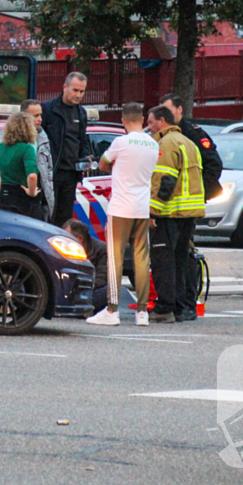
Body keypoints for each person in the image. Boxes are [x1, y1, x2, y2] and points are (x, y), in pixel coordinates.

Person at [86, 102, 158, 327]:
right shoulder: (153, 144)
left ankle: (112, 310)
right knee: (141, 260)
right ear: (143, 119)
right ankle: (142, 312)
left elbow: (103, 163)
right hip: (142, 208)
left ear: (123, 120)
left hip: (120, 208)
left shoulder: (120, 142)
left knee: (115, 259)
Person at [147, 105, 205, 324]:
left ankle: (164, 308)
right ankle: (181, 307)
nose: (149, 127)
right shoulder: (189, 143)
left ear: (162, 121)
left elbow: (165, 179)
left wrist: (152, 211)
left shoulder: (166, 144)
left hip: (170, 213)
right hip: (188, 213)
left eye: (151, 122)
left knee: (163, 261)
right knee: (181, 261)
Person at [41, 71, 93, 227]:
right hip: (51, 174)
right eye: (75, 90)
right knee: (48, 217)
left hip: (71, 174)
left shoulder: (81, 113)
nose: (78, 95)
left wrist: (85, 158)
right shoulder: (48, 109)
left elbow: (82, 140)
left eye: (82, 91)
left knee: (65, 221)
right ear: (65, 87)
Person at [159, 93, 224, 202]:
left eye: (168, 111)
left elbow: (214, 164)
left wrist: (199, 192)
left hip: (189, 203)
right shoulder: (162, 135)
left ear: (179, 109)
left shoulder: (194, 135)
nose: (165, 116)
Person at [0, 112, 41, 219]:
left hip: (3, 198)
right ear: (29, 129)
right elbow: (32, 176)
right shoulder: (26, 149)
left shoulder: (1, 147)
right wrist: (32, 191)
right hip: (22, 200)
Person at [62, 219, 108, 311]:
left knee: (107, 291)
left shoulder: (102, 249)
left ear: (79, 239)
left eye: (67, 238)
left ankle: (82, 307)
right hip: (69, 289)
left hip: (91, 289)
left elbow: (102, 279)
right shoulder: (63, 248)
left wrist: (82, 289)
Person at [20, 98, 55, 221]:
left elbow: (48, 171)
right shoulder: (11, 141)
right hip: (19, 200)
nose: (40, 119)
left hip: (39, 202)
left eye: (40, 115)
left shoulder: (43, 139)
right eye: (35, 116)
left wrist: (49, 199)